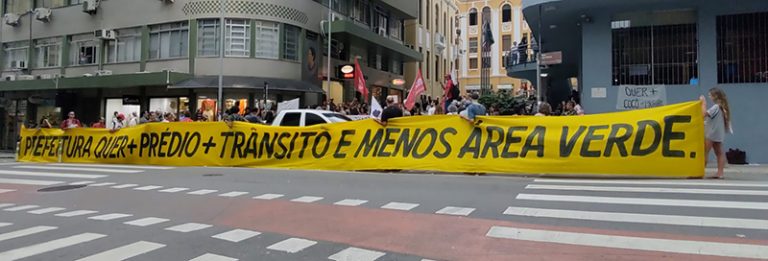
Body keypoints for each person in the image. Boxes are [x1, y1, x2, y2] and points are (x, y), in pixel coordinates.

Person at [701, 88, 732, 179]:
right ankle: (720, 173)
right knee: (719, 153)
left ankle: (700, 171)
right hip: (718, 133)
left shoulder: (716, 107)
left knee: (704, 152)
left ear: (715, 96)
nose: (709, 96)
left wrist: (703, 103)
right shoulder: (723, 108)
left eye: (710, 95)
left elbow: (704, 114)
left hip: (711, 133)